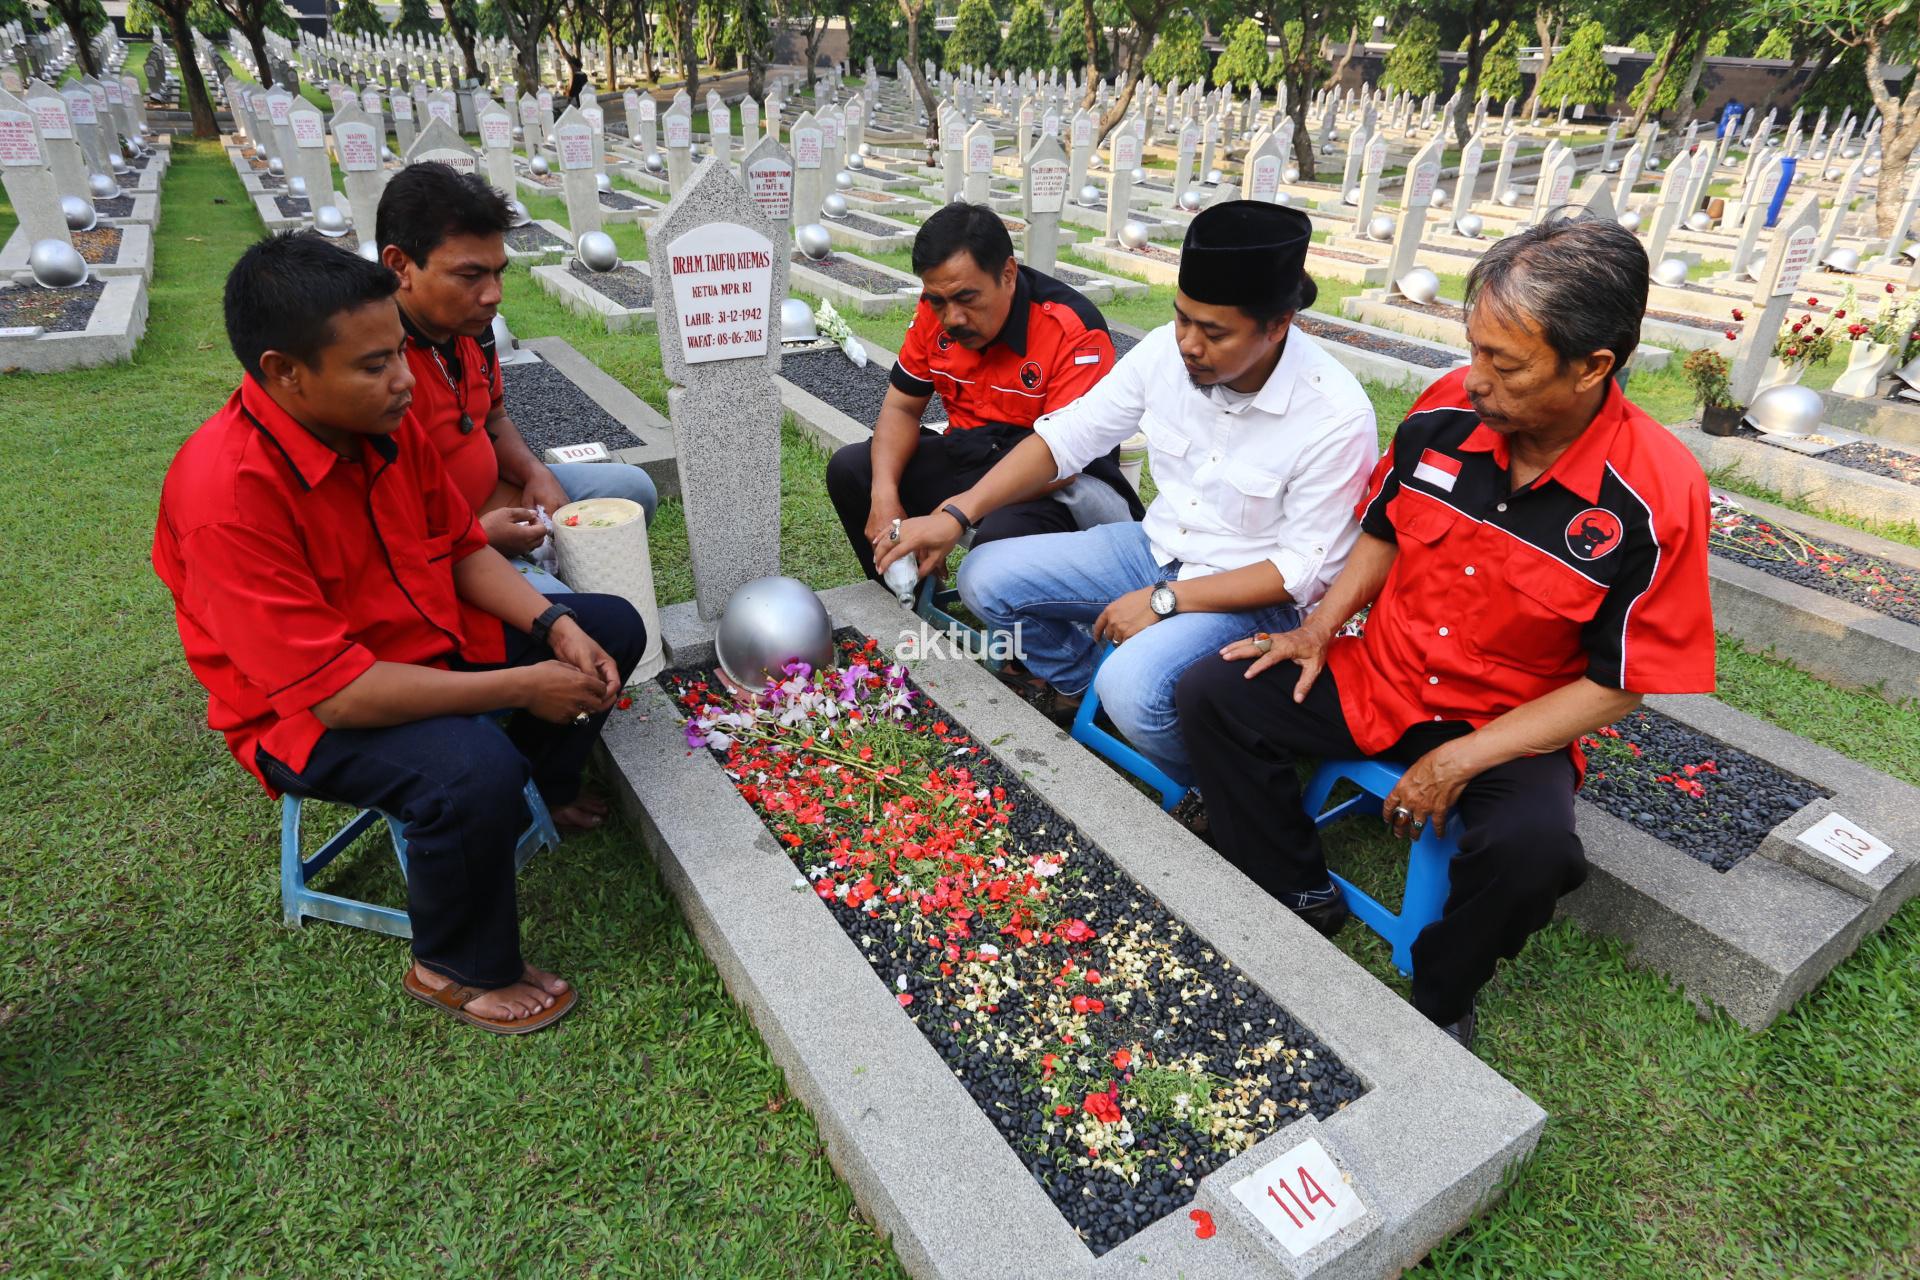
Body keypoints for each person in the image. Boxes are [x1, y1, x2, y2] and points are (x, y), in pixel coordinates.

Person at [1173, 217, 1717, 1050]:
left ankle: (1440, 992)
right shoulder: (1442, 415)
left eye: (1507, 364)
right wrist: (1318, 628)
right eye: (1474, 351)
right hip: (1381, 673)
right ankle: (1296, 888)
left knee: (1534, 853)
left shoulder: (1651, 493)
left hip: (1508, 723)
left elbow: (1619, 680)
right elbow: (1385, 528)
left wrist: (1460, 759)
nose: (1477, 382)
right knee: (1214, 692)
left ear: (1593, 366)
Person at [152, 233, 647, 1035]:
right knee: (469, 771)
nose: (402, 382)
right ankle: (452, 964)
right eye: (373, 364)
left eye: (397, 355)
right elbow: (340, 696)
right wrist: (524, 684)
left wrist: (552, 624)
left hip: (420, 638)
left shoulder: (381, 420)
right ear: (283, 371)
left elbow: (457, 549)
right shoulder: (226, 496)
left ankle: (545, 792)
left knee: (611, 626)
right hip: (304, 713)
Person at [878, 202, 1376, 785]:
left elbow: (1304, 570)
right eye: (1182, 318)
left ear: (1277, 325)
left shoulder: (1334, 415)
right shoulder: (1167, 351)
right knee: (984, 576)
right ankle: (1083, 683)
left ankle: (1217, 780)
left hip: (1251, 593)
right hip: (1153, 548)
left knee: (1135, 688)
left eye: (1214, 331)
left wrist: (1166, 600)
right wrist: (957, 515)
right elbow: (1066, 436)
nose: (1188, 343)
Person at [376, 162, 659, 595]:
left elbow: (493, 418)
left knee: (635, 490)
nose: (493, 295)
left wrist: (534, 473)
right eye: (470, 275)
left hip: (503, 494)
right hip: (446, 540)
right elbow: (379, 526)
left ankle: (546, 558)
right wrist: (479, 535)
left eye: (498, 271)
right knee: (570, 615)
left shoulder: (475, 329)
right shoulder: (371, 363)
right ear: (400, 266)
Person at [824, 202, 1144, 583]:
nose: (952, 318)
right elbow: (902, 409)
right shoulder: (935, 310)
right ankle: (905, 598)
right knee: (852, 469)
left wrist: (957, 513)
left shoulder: (1072, 330)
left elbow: (1063, 463)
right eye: (938, 301)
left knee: (997, 545)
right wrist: (883, 494)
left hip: (1053, 482)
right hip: (971, 453)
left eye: (966, 298)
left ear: (1008, 274)